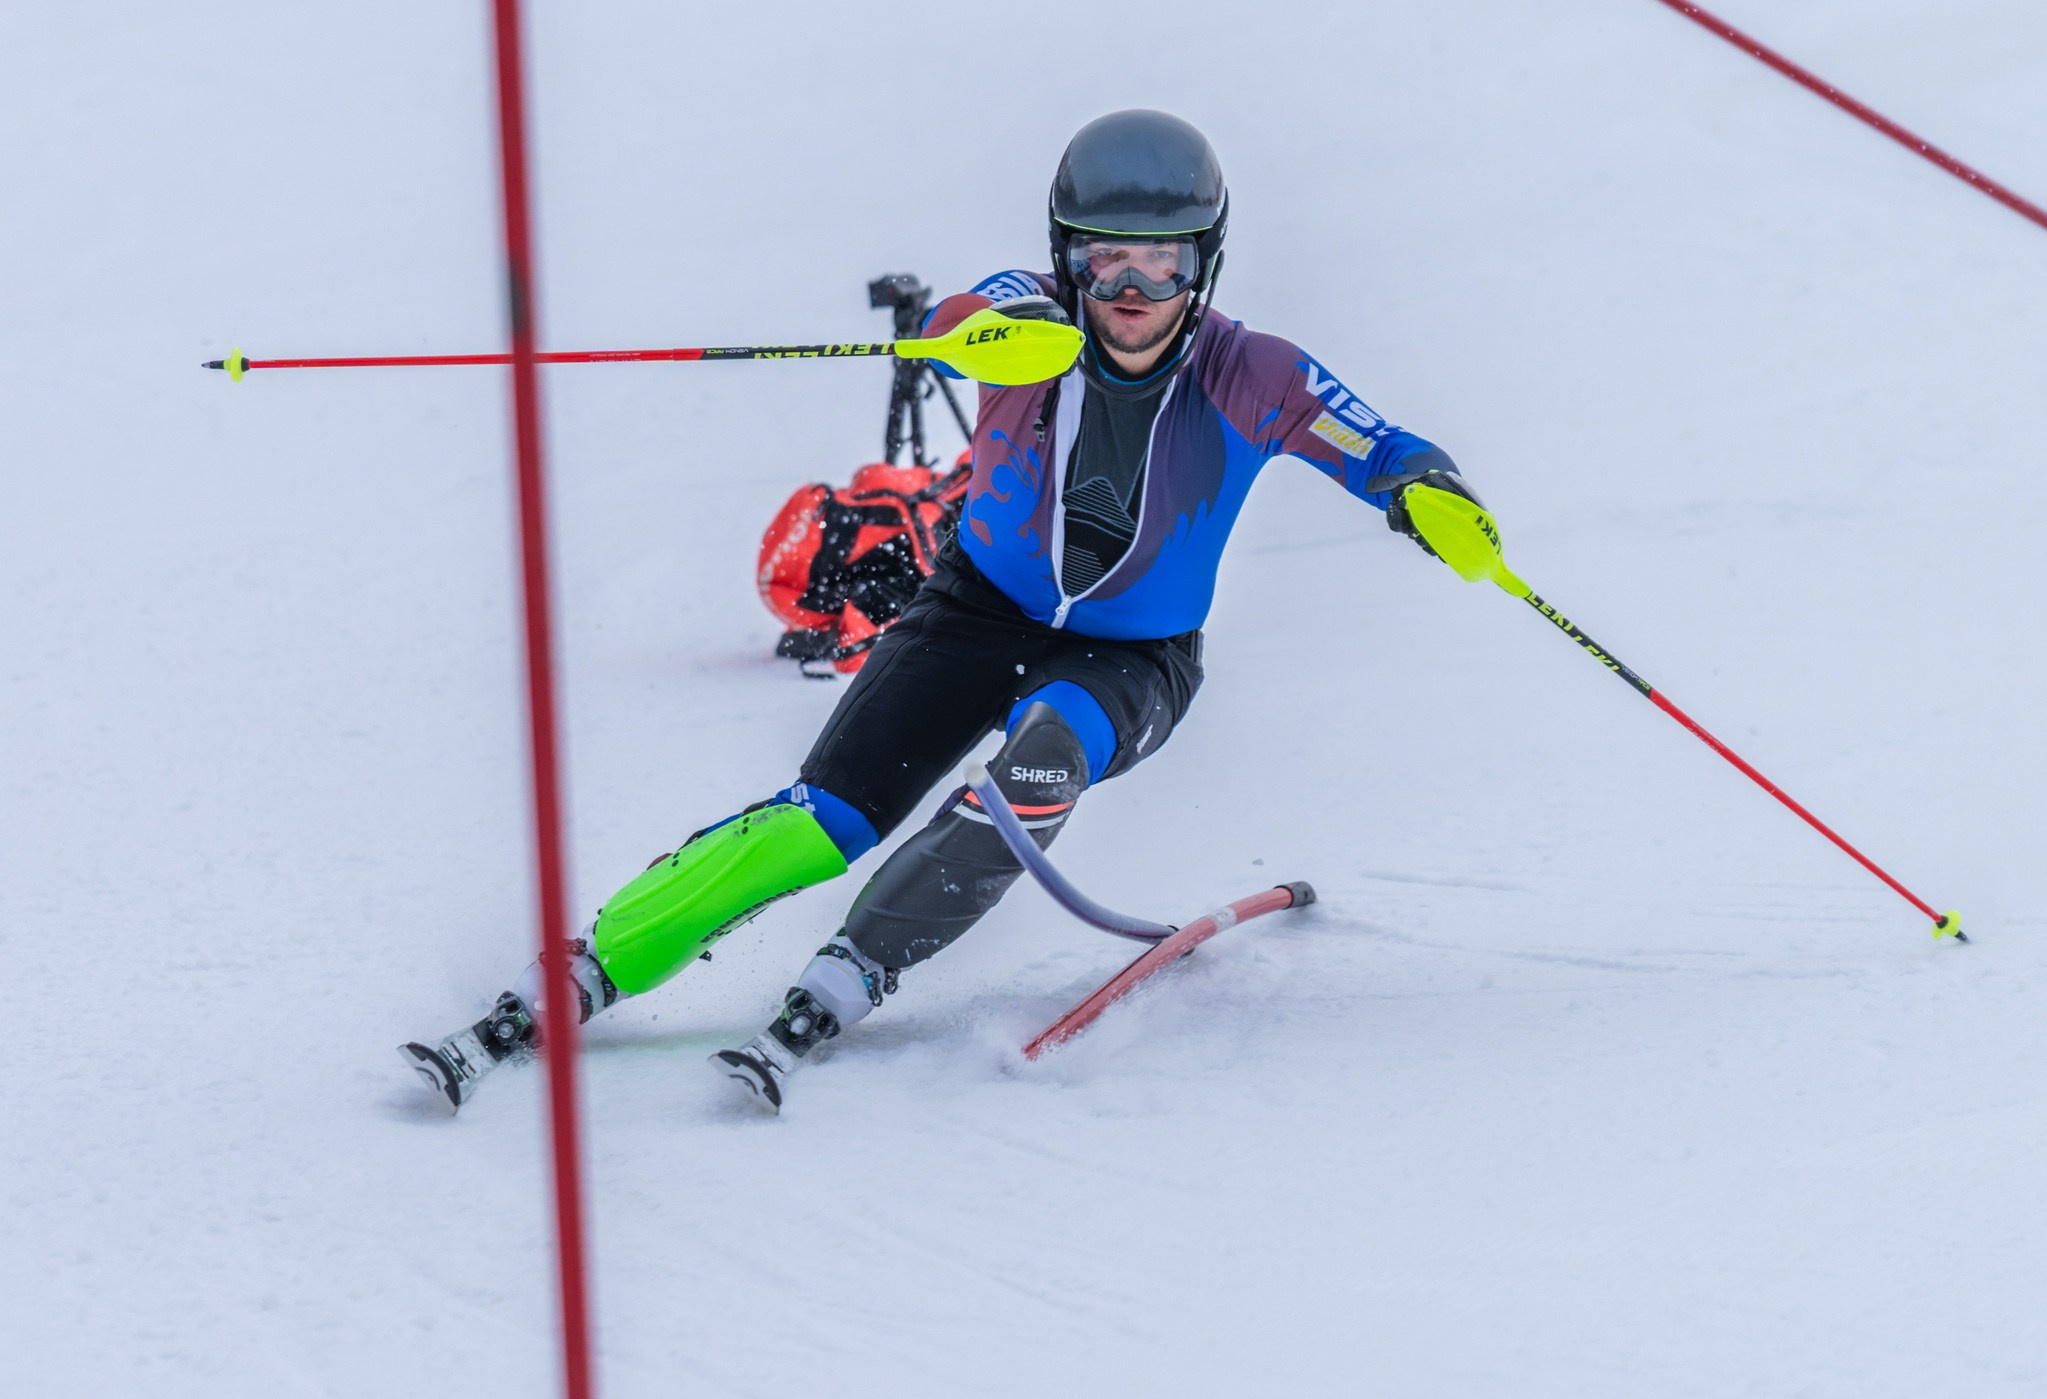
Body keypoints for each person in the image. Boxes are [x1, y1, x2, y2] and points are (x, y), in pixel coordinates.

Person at [402, 109, 1473, 1113]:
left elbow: (1376, 445)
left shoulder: (1250, 370)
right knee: (824, 821)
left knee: (1038, 764)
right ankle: (589, 966)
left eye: (1167, 258)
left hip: (1133, 658)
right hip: (971, 612)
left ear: (1207, 261)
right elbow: (970, 310)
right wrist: (983, 334)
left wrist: (1426, 488)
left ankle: (854, 967)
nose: (1135, 285)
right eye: (1106, 256)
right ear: (1067, 253)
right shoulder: (1025, 315)